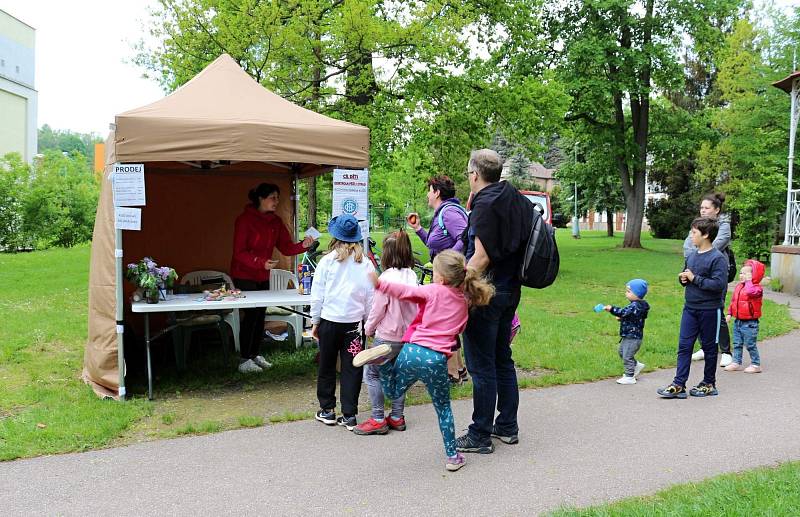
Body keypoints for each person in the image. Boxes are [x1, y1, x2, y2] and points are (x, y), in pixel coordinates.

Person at [352, 250, 495, 471]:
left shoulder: (433, 290)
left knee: (393, 392)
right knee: (443, 409)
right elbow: (459, 330)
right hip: (436, 360)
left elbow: (406, 292)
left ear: (441, 278)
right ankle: (452, 457)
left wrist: (380, 284)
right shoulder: (464, 302)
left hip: (411, 351)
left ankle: (384, 363)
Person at [456, 149, 533, 454]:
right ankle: (507, 426)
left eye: (468, 173)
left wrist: (451, 286)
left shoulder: (485, 204)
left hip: (485, 295)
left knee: (482, 365)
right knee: (502, 358)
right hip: (510, 291)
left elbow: (482, 256)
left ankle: (480, 434)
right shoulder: (515, 198)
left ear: (475, 174)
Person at [230, 183, 314, 374]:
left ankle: (254, 354)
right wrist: (259, 262)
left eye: (278, 198)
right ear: (261, 198)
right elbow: (238, 253)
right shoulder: (244, 220)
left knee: (260, 314)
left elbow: (286, 247)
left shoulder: (275, 222)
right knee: (250, 315)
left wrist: (304, 245)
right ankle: (245, 359)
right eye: (273, 198)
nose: (276, 201)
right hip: (243, 274)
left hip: (262, 274)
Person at [310, 214, 375, 431]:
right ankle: (349, 414)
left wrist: (315, 321)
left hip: (329, 321)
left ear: (334, 237)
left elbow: (317, 295)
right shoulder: (365, 264)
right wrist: (367, 322)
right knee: (352, 368)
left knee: (327, 365)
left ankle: (327, 410)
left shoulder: (327, 262)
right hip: (354, 326)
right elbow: (370, 297)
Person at [408, 175, 470, 384]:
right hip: (445, 279)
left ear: (436, 192)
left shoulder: (450, 213)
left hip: (449, 281)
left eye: (429, 190)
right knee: (448, 323)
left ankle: (451, 374)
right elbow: (433, 245)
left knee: (444, 324)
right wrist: (418, 230)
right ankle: (459, 370)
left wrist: (449, 263)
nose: (427, 194)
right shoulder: (442, 213)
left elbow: (465, 236)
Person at [355, 231, 418, 436]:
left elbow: (377, 310)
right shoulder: (412, 275)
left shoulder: (386, 278)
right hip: (407, 338)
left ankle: (378, 418)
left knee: (372, 374)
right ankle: (397, 416)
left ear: (387, 254)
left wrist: (368, 329)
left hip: (386, 337)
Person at [658, 217, 728, 399]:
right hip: (690, 308)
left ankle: (709, 383)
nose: (691, 236)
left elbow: (719, 284)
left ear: (705, 235)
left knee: (709, 348)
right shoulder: (692, 256)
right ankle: (679, 384)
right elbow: (687, 276)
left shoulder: (717, 258)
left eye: (694, 232)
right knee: (684, 346)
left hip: (710, 310)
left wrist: (694, 278)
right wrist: (683, 279)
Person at [683, 192, 734, 367]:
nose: (703, 211)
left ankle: (726, 351)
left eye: (707, 208)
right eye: (701, 208)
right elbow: (687, 247)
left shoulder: (723, 226)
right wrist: (695, 256)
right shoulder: (698, 227)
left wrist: (698, 253)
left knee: (716, 309)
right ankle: (705, 347)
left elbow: (715, 246)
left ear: (717, 210)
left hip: (715, 272)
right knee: (696, 308)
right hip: (696, 271)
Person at [602, 279, 650, 385]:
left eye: (628, 291)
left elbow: (623, 312)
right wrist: (623, 318)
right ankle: (636, 365)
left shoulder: (635, 306)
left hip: (633, 337)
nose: (626, 293)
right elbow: (632, 317)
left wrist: (611, 309)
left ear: (637, 294)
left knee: (627, 356)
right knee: (622, 352)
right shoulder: (637, 306)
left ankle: (629, 376)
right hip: (629, 334)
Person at [724, 260, 765, 373]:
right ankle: (736, 362)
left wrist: (749, 281)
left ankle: (756, 365)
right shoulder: (739, 287)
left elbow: (751, 292)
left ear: (754, 275)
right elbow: (734, 302)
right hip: (738, 321)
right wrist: (729, 314)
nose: (742, 275)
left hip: (750, 323)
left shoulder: (757, 288)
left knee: (750, 345)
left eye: (746, 273)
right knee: (737, 343)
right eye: (741, 273)